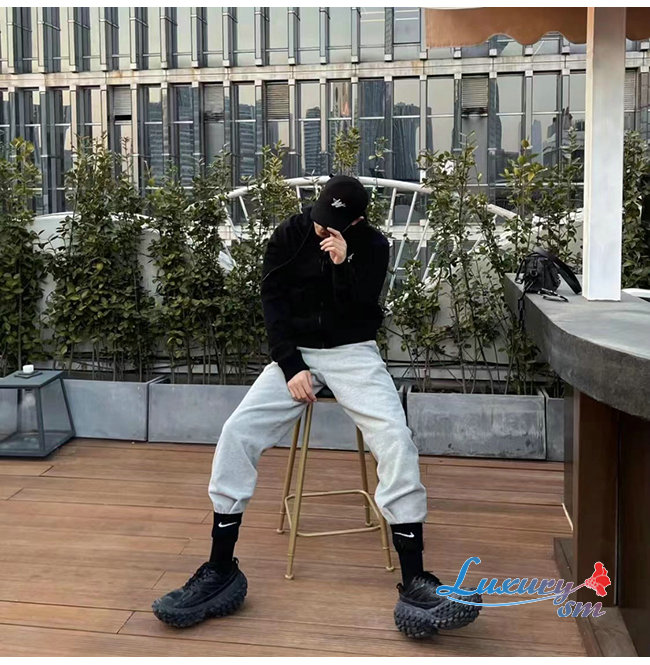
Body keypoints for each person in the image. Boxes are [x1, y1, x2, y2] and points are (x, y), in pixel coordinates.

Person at [152, 175, 482, 638]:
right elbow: (272, 302)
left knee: (395, 437)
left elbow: (361, 310)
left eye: (334, 225)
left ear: (358, 221)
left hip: (353, 352)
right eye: (320, 219)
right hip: (297, 355)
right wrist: (290, 366)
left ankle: (415, 581)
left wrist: (344, 265)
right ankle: (220, 568)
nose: (322, 230)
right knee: (237, 432)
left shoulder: (373, 246)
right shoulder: (290, 234)